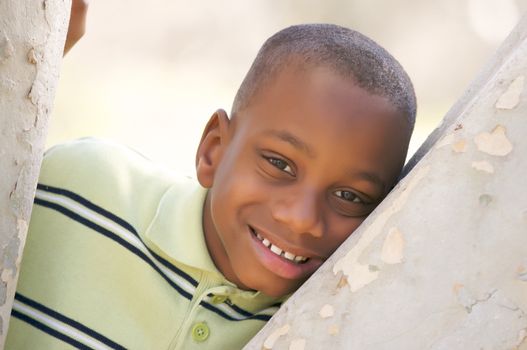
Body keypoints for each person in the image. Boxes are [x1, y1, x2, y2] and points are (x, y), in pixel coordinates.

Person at [6, 16, 416, 350]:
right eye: (279, 164)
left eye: (349, 196)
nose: (302, 219)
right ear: (214, 150)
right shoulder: (78, 184)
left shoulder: (331, 324)